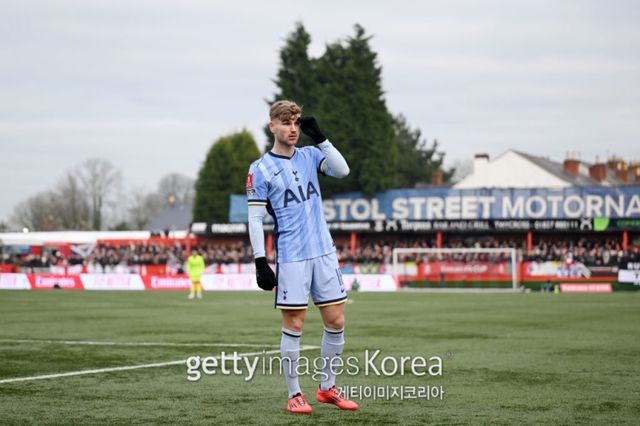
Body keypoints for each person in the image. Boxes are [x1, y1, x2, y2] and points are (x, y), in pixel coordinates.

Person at [247, 100, 358, 414]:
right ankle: (294, 393)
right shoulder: (260, 168)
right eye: (286, 122)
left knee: (336, 320)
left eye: (296, 122)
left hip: (324, 252)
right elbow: (255, 218)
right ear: (273, 126)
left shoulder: (310, 155)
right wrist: (260, 261)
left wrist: (321, 138)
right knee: (294, 324)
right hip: (292, 256)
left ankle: (327, 388)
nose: (293, 128)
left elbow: (342, 170)